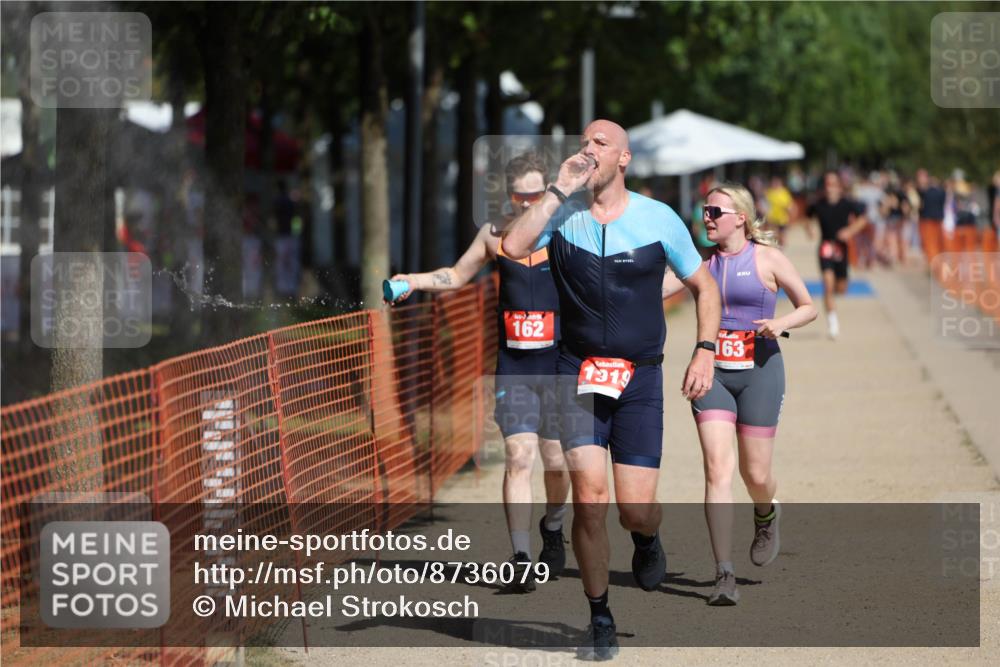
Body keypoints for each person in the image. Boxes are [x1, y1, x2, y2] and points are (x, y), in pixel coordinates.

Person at [502, 120, 721, 660]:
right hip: (576, 371)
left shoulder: (658, 218)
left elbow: (704, 285)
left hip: (641, 376)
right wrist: (557, 188)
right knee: (591, 502)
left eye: (600, 143)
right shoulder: (565, 216)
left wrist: (705, 349)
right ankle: (599, 615)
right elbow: (512, 244)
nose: (588, 149)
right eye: (583, 141)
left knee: (634, 508)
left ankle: (646, 538)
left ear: (622, 159)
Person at [387, 152, 570, 592]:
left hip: (559, 364)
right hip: (514, 367)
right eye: (518, 195)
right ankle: (522, 557)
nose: (527, 204)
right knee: (518, 456)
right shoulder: (493, 235)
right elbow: (456, 274)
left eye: (535, 194)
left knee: (557, 460)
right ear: (507, 194)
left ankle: (554, 523)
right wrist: (413, 280)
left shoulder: (566, 232)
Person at [664, 183, 816, 605]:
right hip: (711, 374)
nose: (706, 218)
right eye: (704, 211)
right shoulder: (699, 263)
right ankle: (723, 573)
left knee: (757, 475)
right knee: (717, 470)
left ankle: (766, 513)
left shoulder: (768, 257)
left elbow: (809, 305)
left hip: (761, 371)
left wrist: (780, 321)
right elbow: (658, 288)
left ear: (741, 217)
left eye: (715, 211)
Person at [806, 171, 867, 339]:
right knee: (828, 285)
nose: (829, 188)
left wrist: (849, 231)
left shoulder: (847, 204)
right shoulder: (818, 204)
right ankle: (833, 324)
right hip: (825, 247)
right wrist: (810, 229)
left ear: (840, 187)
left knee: (841, 288)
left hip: (842, 249)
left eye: (833, 185)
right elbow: (808, 217)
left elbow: (863, 219)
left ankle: (837, 292)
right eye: (827, 184)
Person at [917, 169, 947, 264]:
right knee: (938, 242)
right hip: (938, 219)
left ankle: (933, 263)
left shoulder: (925, 192)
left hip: (927, 221)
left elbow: (920, 204)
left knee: (930, 243)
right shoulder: (942, 192)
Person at [764, 175, 796, 247]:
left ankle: (781, 248)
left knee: (782, 237)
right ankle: (777, 248)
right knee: (775, 236)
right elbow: (765, 204)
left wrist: (790, 213)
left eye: (776, 182)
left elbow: (790, 205)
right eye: (773, 182)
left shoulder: (784, 192)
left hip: (782, 219)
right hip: (772, 218)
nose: (775, 184)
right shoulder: (769, 193)